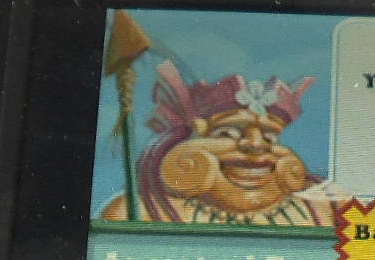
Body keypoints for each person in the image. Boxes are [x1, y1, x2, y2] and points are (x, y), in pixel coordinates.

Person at [105, 61, 336, 226]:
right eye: (227, 133)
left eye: (269, 137)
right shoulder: (135, 211)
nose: (257, 145)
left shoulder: (326, 208)